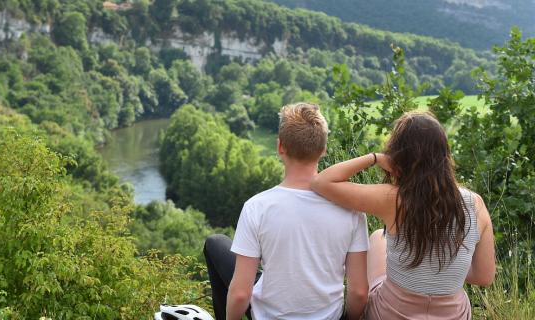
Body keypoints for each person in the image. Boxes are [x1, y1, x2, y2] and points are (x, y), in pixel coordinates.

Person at [311, 111, 496, 319]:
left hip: (392, 313)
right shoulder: (475, 204)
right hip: (453, 315)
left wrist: (374, 158)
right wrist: (444, 272)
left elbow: (321, 182)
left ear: (398, 156)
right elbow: (485, 276)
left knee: (377, 237)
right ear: (444, 155)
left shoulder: (394, 199)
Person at [203, 103, 370, 320]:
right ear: (323, 149)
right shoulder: (352, 210)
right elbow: (359, 292)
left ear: (280, 146)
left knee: (215, 243)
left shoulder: (257, 207)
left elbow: (240, 294)